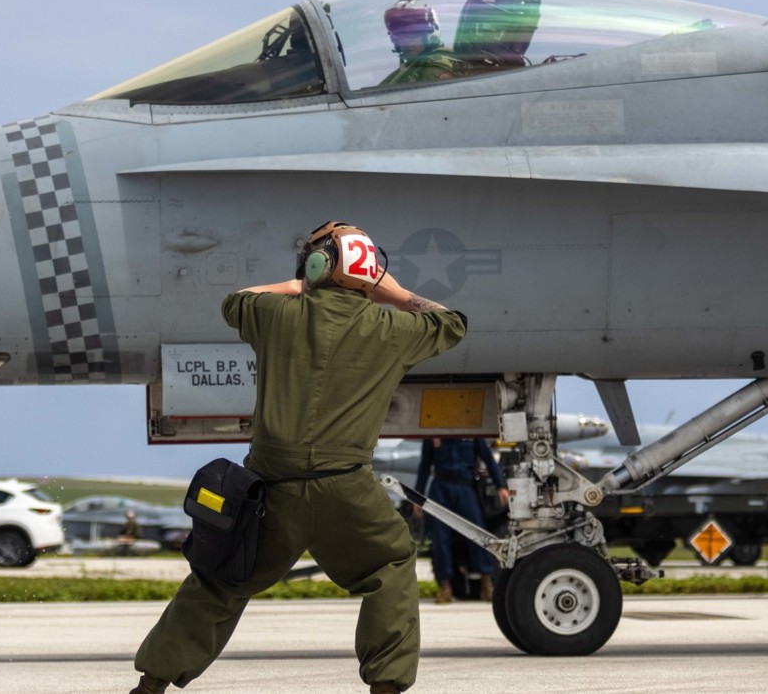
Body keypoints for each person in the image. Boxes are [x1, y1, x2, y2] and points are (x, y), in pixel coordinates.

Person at [133, 221, 468, 694]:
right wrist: (391, 293)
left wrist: (296, 287)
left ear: (317, 265)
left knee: (222, 576)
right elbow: (452, 323)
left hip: (269, 492)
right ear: (369, 273)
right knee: (390, 564)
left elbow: (234, 302)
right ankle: (386, 687)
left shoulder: (275, 315)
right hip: (349, 489)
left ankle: (152, 684)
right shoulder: (395, 328)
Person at [412, 437, 508, 604]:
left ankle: (487, 586)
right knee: (440, 540)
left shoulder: (471, 432)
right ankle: (445, 588)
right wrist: (417, 497)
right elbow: (424, 465)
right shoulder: (434, 432)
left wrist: (501, 486)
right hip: (440, 488)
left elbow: (488, 458)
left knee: (477, 536)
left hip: (464, 487)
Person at [377, 0, 457, 87]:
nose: (407, 41)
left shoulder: (433, 70)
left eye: (414, 34)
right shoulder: (407, 71)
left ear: (430, 35)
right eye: (401, 35)